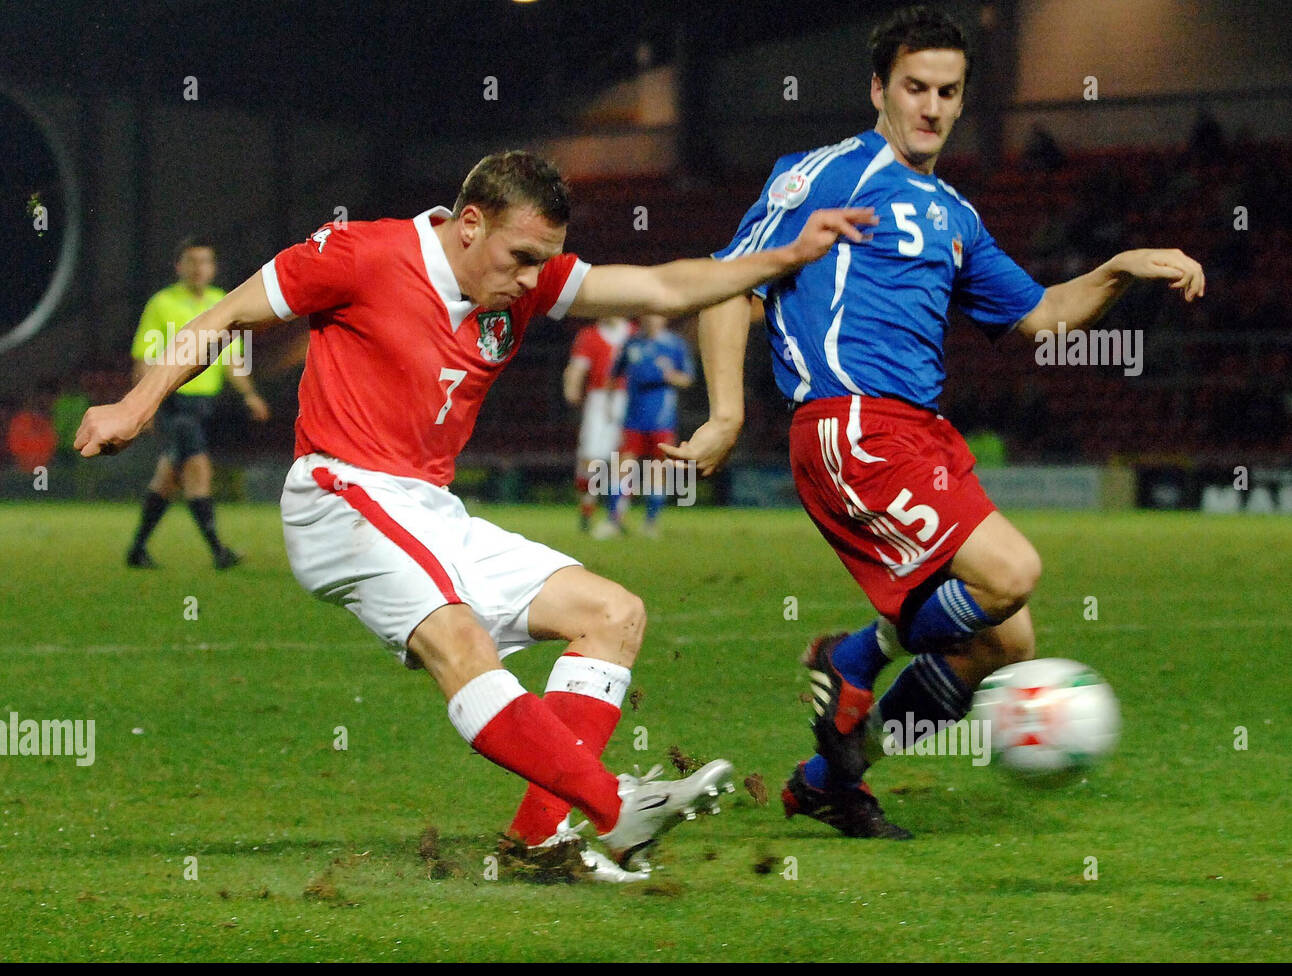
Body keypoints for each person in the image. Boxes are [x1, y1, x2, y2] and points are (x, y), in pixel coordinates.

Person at [76, 151, 873, 879]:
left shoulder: (529, 279)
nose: (532, 280)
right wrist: (137, 402)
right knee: (460, 638)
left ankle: (538, 836)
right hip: (339, 492)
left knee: (613, 613)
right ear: (468, 224)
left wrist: (787, 256)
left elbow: (662, 286)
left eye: (544, 262)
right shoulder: (363, 254)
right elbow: (226, 318)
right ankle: (613, 805)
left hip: (430, 509)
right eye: (520, 257)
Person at [663, 6, 1205, 839]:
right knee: (1011, 572)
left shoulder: (955, 213)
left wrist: (1119, 269)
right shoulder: (830, 172)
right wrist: (727, 413)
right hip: (850, 425)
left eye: (949, 92)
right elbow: (733, 281)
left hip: (921, 433)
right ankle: (856, 658)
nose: (932, 107)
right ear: (879, 88)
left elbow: (1043, 318)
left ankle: (828, 778)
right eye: (915, 87)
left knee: (1005, 643)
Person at [125, 236, 270, 570]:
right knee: (198, 469)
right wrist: (141, 404)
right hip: (175, 402)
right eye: (191, 261)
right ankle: (219, 551)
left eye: (204, 262)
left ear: (213, 267)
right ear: (179, 266)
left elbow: (233, 358)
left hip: (206, 405)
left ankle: (137, 550)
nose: (197, 268)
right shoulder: (161, 303)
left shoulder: (223, 302)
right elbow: (145, 358)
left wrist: (249, 394)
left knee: (168, 477)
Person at [595, 314, 693, 539]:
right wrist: (609, 404)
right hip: (633, 417)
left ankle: (651, 523)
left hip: (662, 418)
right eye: (647, 315)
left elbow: (687, 379)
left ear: (664, 319)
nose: (652, 320)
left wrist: (670, 375)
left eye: (656, 316)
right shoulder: (632, 343)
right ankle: (613, 520)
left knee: (658, 469)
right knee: (623, 467)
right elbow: (614, 374)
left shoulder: (674, 345)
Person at [562, 316, 632, 532]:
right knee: (591, 459)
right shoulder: (590, 335)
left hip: (629, 398)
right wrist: (572, 387)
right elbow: (578, 367)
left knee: (624, 457)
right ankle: (587, 510)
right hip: (599, 398)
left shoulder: (633, 333)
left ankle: (616, 516)